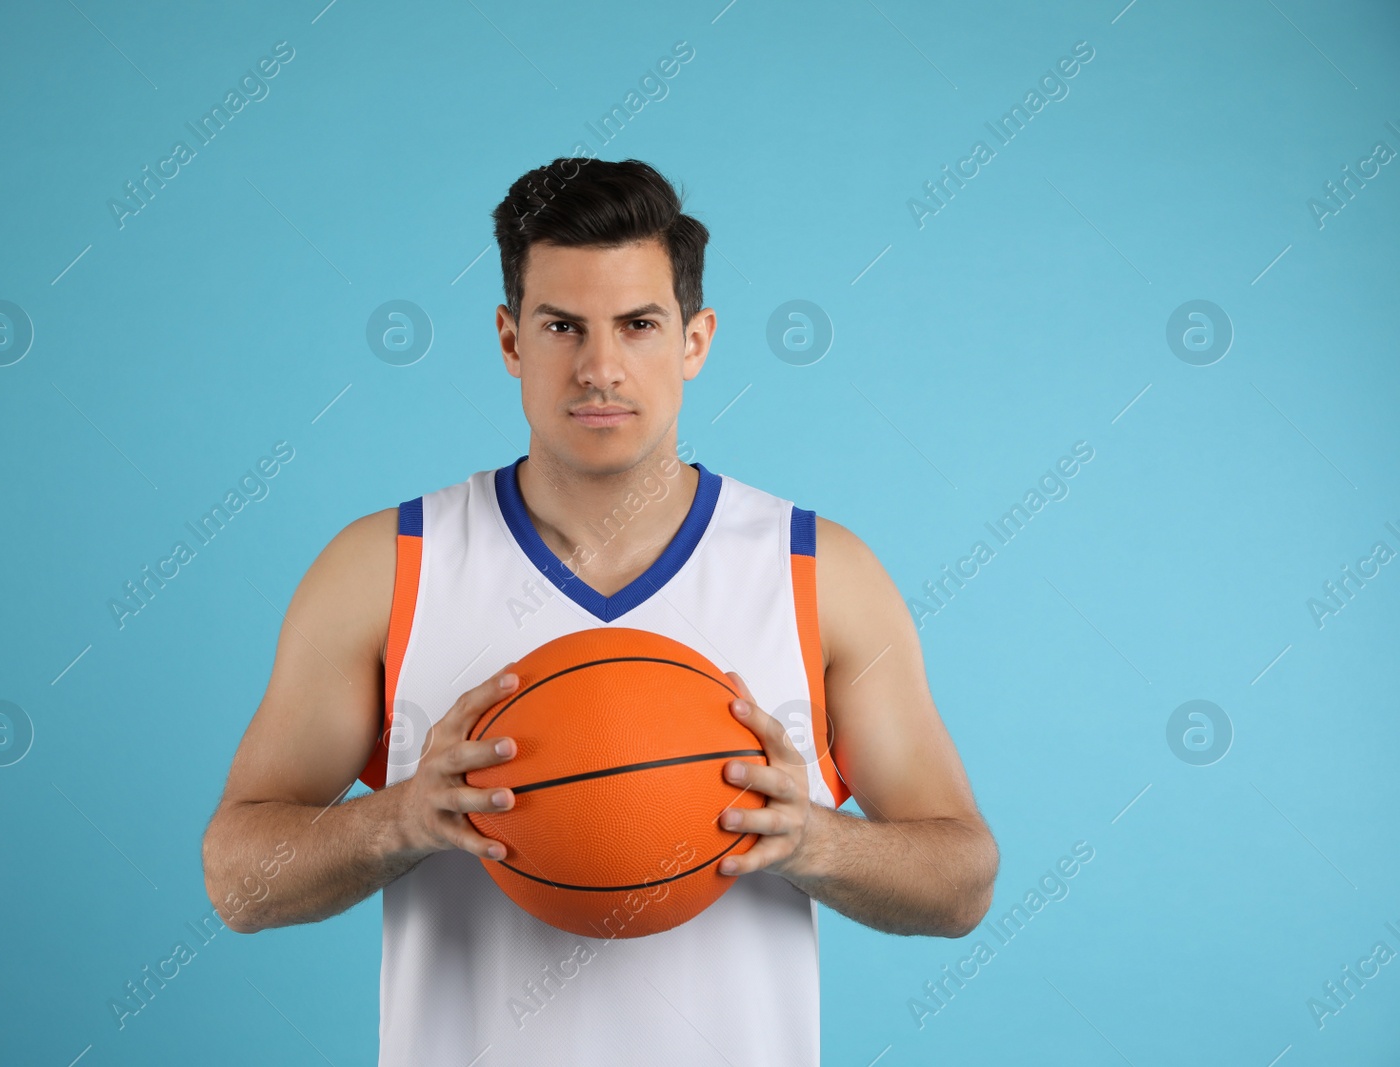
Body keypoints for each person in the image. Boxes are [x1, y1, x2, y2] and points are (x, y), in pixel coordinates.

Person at [200, 157, 998, 1066]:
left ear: (696, 340)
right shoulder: (385, 566)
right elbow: (236, 879)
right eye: (561, 326)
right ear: (509, 340)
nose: (600, 367)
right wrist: (399, 820)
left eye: (639, 325)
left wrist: (813, 839)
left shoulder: (818, 569)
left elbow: (962, 880)